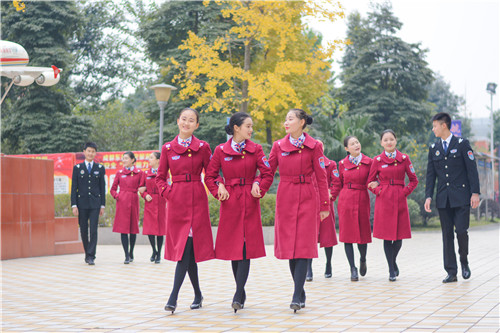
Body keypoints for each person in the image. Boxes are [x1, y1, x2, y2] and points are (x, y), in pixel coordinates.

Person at [205, 112, 274, 313]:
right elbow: (210, 176)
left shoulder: (257, 149)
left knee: (246, 247)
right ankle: (240, 291)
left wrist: (258, 184)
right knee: (235, 247)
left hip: (250, 200)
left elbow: (267, 173)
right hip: (230, 202)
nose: (251, 130)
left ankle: (237, 293)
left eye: (251, 126)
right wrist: (219, 187)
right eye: (248, 126)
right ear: (236, 127)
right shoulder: (220, 150)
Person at [268, 108, 330, 313]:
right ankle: (300, 289)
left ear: (302, 122)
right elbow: (268, 172)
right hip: (285, 196)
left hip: (307, 197)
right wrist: (257, 187)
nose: (286, 122)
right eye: (285, 119)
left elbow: (321, 177)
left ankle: (296, 294)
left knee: (303, 246)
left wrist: (324, 205)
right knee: (290, 249)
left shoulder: (314, 146)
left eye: (291, 118)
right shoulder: (278, 146)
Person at [156, 108, 215, 313]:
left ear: (197, 125)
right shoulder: (168, 148)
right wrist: (168, 193)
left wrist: (218, 189)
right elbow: (160, 177)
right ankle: (198, 294)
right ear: (178, 121)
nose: (187, 123)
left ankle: (173, 297)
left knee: (187, 249)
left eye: (191, 121)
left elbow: (211, 174)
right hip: (177, 202)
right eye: (184, 119)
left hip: (197, 200)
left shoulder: (203, 147)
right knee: (186, 251)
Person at [424, 112, 480, 283]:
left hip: (462, 197)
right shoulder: (434, 149)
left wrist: (475, 193)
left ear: (444, 126)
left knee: (461, 231)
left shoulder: (462, 144)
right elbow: (430, 175)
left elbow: (472, 170)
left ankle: (464, 261)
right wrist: (428, 196)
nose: (433, 129)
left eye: (434, 126)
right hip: (443, 199)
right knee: (446, 235)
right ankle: (451, 271)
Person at [367, 130, 418, 281]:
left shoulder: (404, 158)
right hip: (384, 200)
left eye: (391, 139)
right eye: (385, 140)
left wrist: (405, 192)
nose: (389, 142)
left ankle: (393, 261)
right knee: (386, 236)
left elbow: (414, 180)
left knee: (399, 236)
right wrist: (378, 190)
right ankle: (391, 269)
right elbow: (369, 182)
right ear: (381, 143)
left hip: (400, 198)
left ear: (396, 141)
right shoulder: (377, 160)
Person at [336, 136, 373, 281]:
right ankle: (352, 268)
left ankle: (363, 259)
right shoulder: (342, 164)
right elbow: (338, 183)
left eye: (357, 142)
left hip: (362, 198)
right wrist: (330, 197)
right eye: (352, 144)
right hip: (346, 199)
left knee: (363, 235)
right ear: (346, 149)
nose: (356, 145)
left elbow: (373, 180)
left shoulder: (369, 162)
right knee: (347, 236)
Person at [306, 153, 340, 281]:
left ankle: (328, 264)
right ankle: (309, 268)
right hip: (310, 202)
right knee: (309, 237)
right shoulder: (306, 164)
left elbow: (336, 183)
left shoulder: (330, 164)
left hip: (326, 202)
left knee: (328, 236)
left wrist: (331, 194)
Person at [71, 142, 106, 266]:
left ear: (95, 153)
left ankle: (91, 256)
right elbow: (74, 187)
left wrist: (102, 205)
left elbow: (103, 187)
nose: (91, 153)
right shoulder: (77, 168)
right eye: (89, 151)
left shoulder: (100, 168)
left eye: (93, 151)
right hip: (82, 204)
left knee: (93, 230)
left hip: (95, 204)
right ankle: (87, 252)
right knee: (84, 230)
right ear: (84, 152)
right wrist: (74, 205)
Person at [110, 151, 143, 264]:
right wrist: (117, 196)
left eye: (126, 158)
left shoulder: (139, 173)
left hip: (134, 201)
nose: (124, 160)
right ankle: (126, 255)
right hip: (122, 203)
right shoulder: (119, 173)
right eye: (123, 158)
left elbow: (143, 186)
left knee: (133, 229)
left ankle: (131, 251)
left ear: (133, 160)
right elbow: (113, 189)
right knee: (123, 229)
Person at [139, 152, 165, 264]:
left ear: (158, 160)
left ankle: (159, 253)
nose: (149, 160)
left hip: (161, 202)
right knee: (150, 229)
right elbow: (140, 189)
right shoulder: (145, 173)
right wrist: (145, 195)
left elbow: (167, 185)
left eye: (151, 158)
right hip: (150, 203)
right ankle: (154, 250)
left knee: (160, 230)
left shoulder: (164, 172)